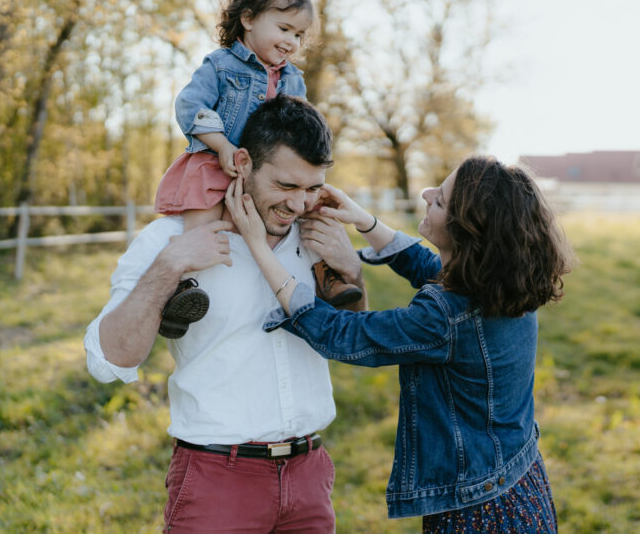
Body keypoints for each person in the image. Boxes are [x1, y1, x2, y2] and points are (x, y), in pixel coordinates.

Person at [224, 155, 574, 532]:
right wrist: (364, 221)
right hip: (519, 481)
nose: (425, 193)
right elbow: (427, 266)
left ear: (465, 232)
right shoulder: (507, 281)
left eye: (439, 200)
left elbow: (345, 334)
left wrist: (258, 247)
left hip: (479, 511)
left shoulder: (444, 317)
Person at [85, 96, 361, 533]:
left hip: (310, 479)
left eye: (312, 188)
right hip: (217, 480)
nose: (299, 205)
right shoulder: (170, 238)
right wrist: (170, 265)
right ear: (244, 162)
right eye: (286, 187)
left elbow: (351, 342)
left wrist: (352, 271)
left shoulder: (317, 238)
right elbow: (108, 361)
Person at [155, 0, 359, 339]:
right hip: (219, 162)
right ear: (248, 19)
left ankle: (325, 275)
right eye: (284, 30)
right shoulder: (220, 65)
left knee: (307, 205)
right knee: (204, 225)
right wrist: (221, 146)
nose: (292, 42)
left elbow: (299, 124)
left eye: (298, 35)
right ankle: (181, 290)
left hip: (271, 172)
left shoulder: (293, 78)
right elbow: (191, 106)